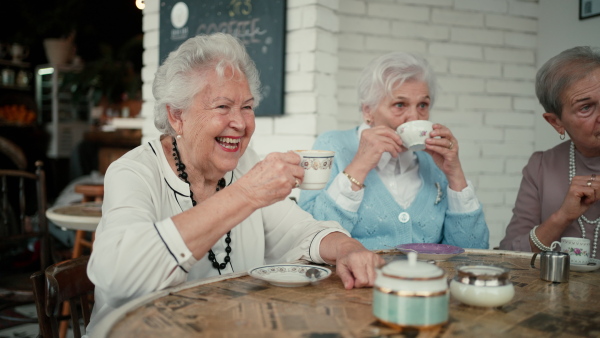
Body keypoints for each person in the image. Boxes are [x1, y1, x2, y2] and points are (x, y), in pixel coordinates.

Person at [85, 33, 383, 335]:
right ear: (177, 116)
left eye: (247, 107)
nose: (240, 123)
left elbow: (299, 231)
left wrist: (347, 247)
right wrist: (247, 194)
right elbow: (119, 276)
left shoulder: (244, 164)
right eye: (223, 107)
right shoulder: (133, 172)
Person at [298, 51, 489, 250]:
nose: (415, 117)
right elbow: (307, 238)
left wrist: (455, 174)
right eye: (400, 105)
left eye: (423, 105)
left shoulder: (435, 161)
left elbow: (472, 251)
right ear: (368, 111)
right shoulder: (331, 145)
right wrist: (359, 166)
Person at [500, 46, 600, 257]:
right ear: (556, 122)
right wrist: (562, 217)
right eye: (586, 108)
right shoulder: (541, 167)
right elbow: (510, 254)